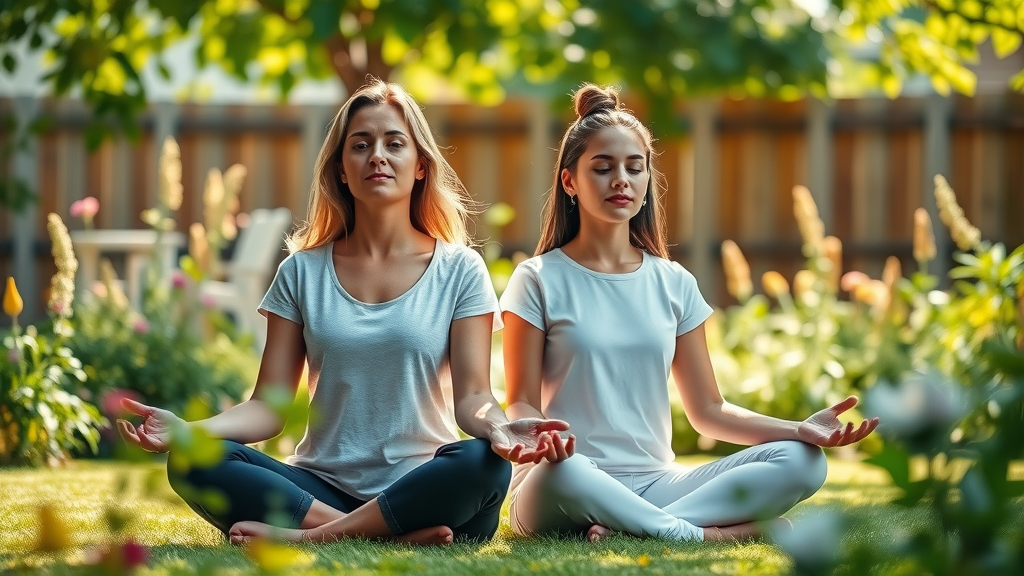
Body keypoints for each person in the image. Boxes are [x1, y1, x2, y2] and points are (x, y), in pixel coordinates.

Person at [118, 78, 566, 546]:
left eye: (395, 143)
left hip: (421, 486)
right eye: (361, 145)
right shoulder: (301, 271)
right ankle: (377, 534)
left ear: (419, 167)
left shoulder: (460, 269)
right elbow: (268, 408)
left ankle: (313, 537)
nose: (377, 155)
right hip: (320, 487)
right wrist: (188, 431)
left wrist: (499, 428)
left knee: (483, 462)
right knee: (193, 458)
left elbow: (473, 396)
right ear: (342, 171)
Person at [499, 84, 879, 543]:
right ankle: (703, 535)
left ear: (646, 183)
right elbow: (520, 400)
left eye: (634, 168)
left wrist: (797, 430)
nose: (621, 179)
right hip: (564, 482)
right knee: (569, 473)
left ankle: (635, 528)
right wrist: (540, 440)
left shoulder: (674, 282)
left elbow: (709, 411)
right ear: (570, 182)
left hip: (658, 485)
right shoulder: (537, 277)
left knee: (801, 461)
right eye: (602, 168)